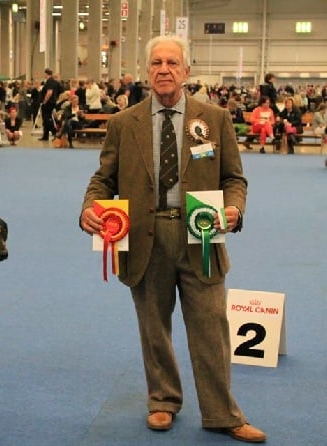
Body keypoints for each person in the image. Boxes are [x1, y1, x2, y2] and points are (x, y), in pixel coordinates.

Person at [79, 35, 266, 444]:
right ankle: (163, 400)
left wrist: (235, 209)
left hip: (201, 234)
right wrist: (89, 208)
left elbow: (234, 178)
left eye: (172, 63)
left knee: (211, 328)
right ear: (148, 72)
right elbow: (102, 179)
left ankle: (222, 414)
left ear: (186, 70)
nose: (164, 69)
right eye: (157, 63)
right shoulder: (122, 123)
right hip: (145, 237)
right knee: (153, 326)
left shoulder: (214, 118)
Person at [38, 68, 61, 141]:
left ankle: (54, 132)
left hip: (48, 103)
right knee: (45, 119)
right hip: (52, 102)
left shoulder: (50, 82)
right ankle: (45, 135)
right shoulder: (55, 82)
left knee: (46, 119)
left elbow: (49, 92)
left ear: (46, 74)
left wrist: (45, 101)